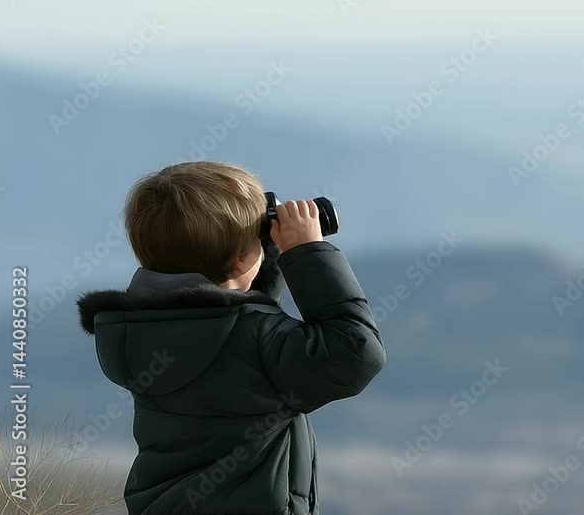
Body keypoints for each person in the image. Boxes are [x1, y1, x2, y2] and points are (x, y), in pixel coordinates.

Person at [77, 161, 385, 514]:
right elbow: (355, 353)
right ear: (240, 261)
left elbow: (232, 320)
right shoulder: (258, 338)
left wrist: (263, 254)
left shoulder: (138, 332)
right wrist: (307, 253)